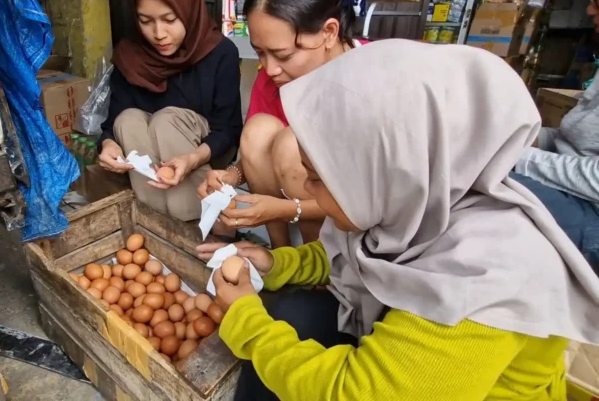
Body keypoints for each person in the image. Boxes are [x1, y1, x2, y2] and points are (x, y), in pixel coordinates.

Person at [197, 40, 599, 400]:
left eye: (317, 179)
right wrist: (279, 263)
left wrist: (246, 320)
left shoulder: (483, 283)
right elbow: (362, 254)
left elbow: (355, 394)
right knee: (287, 314)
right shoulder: (426, 200)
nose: (310, 195)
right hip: (405, 360)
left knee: (271, 332)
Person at [197, 0, 369, 247]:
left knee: (294, 143)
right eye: (260, 52)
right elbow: (261, 154)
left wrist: (288, 209)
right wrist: (231, 176)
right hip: (297, 205)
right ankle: (282, 252)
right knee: (258, 130)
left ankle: (323, 267)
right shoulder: (272, 78)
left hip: (358, 226)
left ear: (329, 32)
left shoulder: (371, 80)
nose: (271, 68)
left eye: (284, 55)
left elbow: (373, 203)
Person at [98, 0, 242, 222]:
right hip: (151, 154)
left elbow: (228, 129)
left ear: (189, 7)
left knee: (166, 121)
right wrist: (108, 144)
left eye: (169, 19)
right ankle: (155, 223)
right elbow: (112, 124)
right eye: (145, 20)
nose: (159, 33)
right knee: (127, 119)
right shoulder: (130, 56)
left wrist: (192, 158)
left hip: (206, 152)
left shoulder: (221, 53)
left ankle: (199, 225)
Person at [508, 0, 599, 274]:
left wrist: (518, 157)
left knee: (473, 182)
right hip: (570, 192)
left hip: (593, 215)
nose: (589, 10)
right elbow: (572, 140)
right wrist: (518, 136)